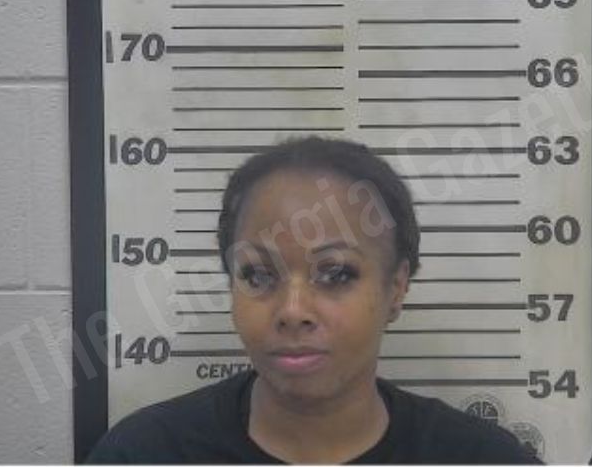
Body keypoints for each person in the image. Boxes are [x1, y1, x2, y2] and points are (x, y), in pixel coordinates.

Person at [87, 135, 541, 464]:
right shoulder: (145, 454)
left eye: (336, 274)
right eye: (258, 275)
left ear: (396, 287)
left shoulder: (481, 458)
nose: (292, 311)